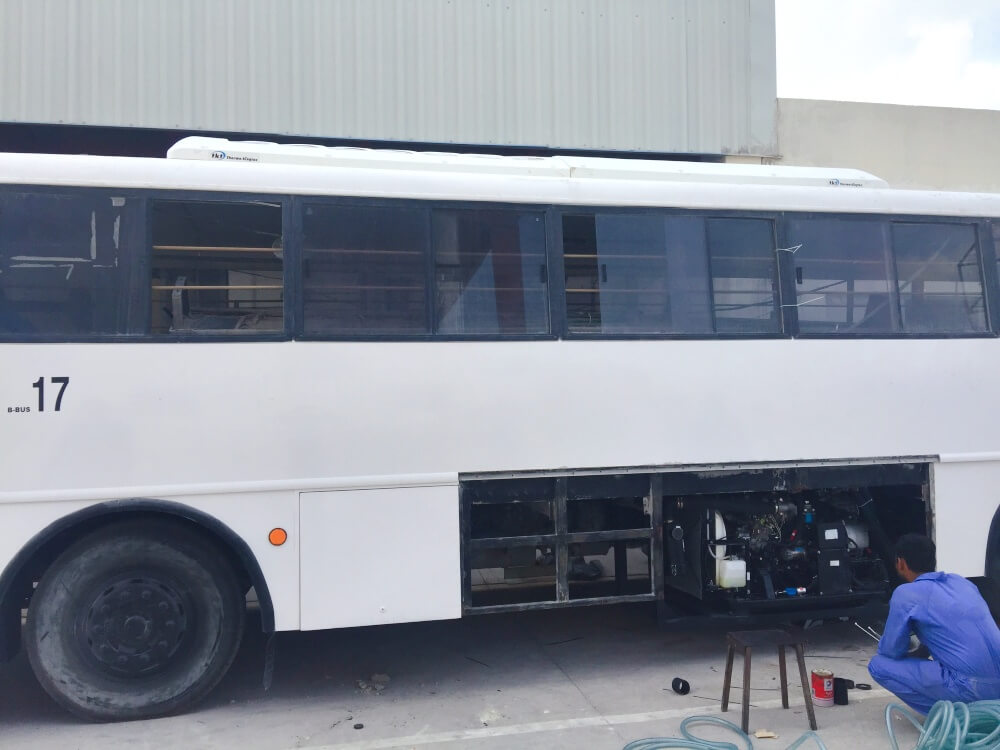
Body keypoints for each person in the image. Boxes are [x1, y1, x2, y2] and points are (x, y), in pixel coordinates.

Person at [868, 534, 1000, 714]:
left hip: (973, 686)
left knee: (878, 665)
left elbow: (892, 651)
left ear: (900, 563)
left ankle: (952, 715)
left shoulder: (906, 594)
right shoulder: (961, 582)